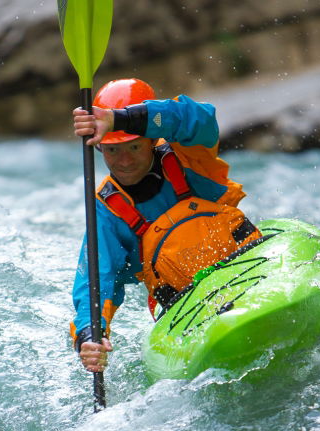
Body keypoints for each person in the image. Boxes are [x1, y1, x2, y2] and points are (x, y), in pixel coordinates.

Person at [70, 78, 262, 373]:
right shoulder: (106, 212)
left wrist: (120, 119)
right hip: (182, 304)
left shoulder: (191, 155)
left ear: (150, 137)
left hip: (247, 264)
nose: (123, 161)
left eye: (133, 147)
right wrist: (89, 335)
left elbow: (199, 117)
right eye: (111, 151)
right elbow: (95, 280)